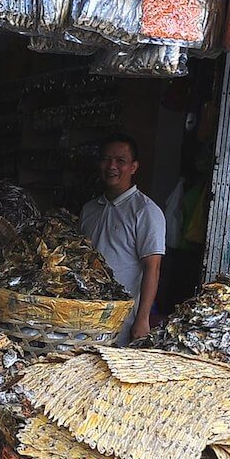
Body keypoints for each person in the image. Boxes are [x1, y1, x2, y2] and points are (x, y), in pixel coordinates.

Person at [80, 134, 167, 344]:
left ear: (134, 167)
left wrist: (142, 319)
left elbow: (152, 268)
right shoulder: (89, 209)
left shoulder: (145, 211)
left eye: (121, 161)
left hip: (122, 321)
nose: (112, 166)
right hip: (84, 314)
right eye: (106, 159)